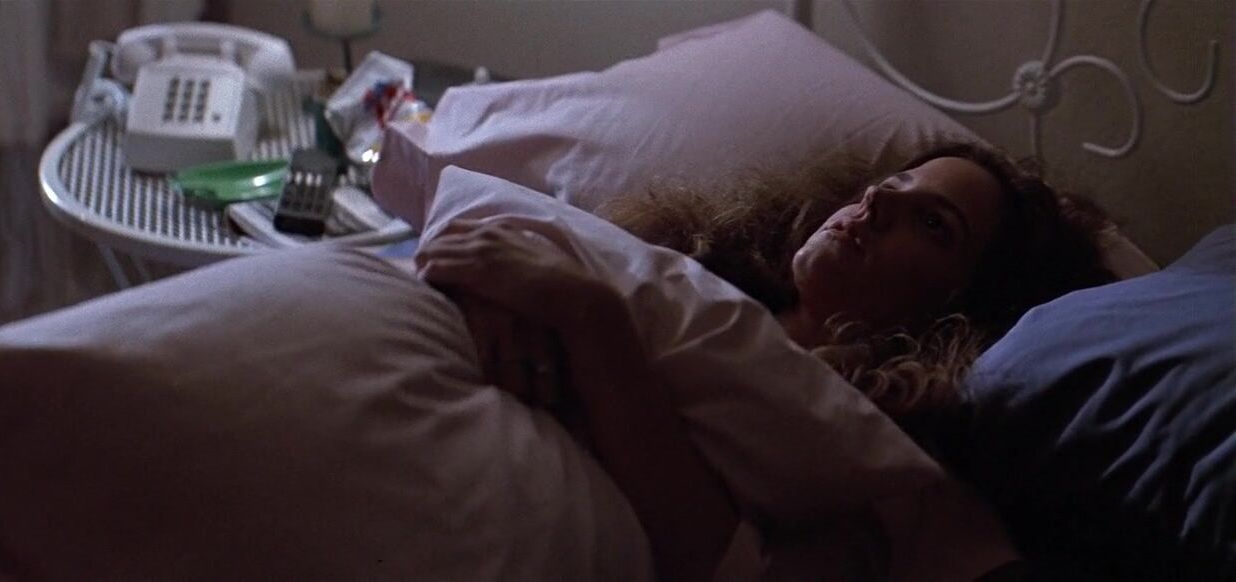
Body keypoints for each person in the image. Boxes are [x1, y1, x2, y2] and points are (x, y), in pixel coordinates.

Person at [414, 141, 1115, 581]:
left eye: (932, 224)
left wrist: (589, 321)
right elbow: (478, 243)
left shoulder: (870, 455)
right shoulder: (679, 282)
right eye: (893, 186)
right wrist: (489, 292)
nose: (876, 202)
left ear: (962, 309)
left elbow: (732, 567)